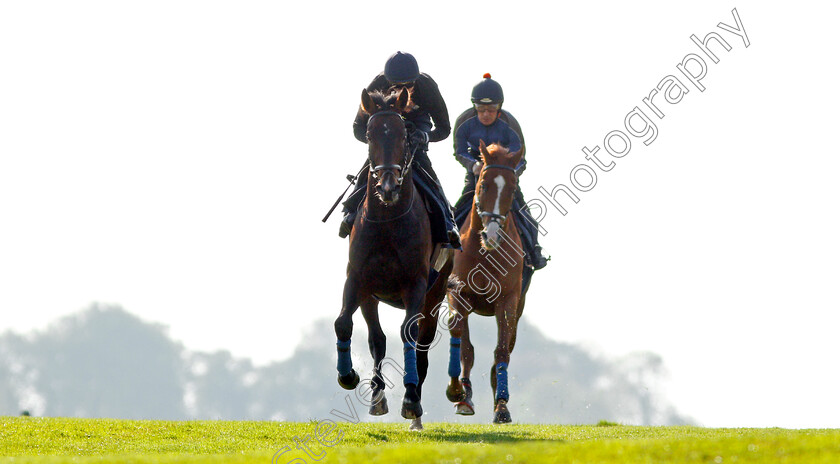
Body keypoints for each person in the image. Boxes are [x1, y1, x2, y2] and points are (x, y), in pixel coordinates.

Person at [339, 51, 460, 248]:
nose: (404, 91)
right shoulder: (377, 84)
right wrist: (379, 142)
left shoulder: (428, 87)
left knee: (425, 168)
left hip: (417, 126)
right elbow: (357, 128)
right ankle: (350, 211)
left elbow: (444, 128)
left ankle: (448, 222)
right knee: (377, 163)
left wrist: (425, 137)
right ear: (388, 82)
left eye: (409, 86)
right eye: (397, 87)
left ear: (416, 81)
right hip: (386, 124)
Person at [452, 73, 549, 270]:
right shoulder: (464, 122)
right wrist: (474, 166)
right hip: (477, 173)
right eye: (481, 109)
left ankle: (533, 250)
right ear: (474, 108)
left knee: (524, 212)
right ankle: (445, 249)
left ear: (499, 109)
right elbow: (459, 151)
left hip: (505, 174)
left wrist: (511, 175)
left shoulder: (510, 125)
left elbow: (520, 158)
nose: (485, 114)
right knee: (459, 208)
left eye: (491, 109)